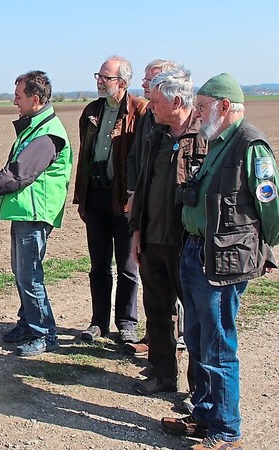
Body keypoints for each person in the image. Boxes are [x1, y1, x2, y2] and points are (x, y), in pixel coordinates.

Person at [161, 73, 279, 450]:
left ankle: (226, 432)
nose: (196, 114)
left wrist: (264, 251)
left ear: (224, 107)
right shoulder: (217, 141)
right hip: (197, 251)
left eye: (202, 107)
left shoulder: (250, 145)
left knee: (217, 344)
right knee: (195, 338)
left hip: (224, 260)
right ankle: (205, 414)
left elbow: (271, 207)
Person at [0, 71, 72, 356]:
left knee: (30, 276)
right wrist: (0, 196)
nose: (14, 101)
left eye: (18, 96)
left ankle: (45, 333)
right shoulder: (36, 127)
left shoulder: (47, 134)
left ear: (35, 98)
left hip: (35, 215)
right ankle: (27, 323)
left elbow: (18, 174)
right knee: (22, 274)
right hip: (25, 212)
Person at [129, 67, 206, 396]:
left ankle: (199, 393)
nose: (151, 106)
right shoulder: (155, 135)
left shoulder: (206, 137)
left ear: (177, 101)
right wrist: (135, 231)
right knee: (157, 312)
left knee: (196, 321)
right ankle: (162, 376)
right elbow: (144, 186)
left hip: (187, 244)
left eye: (157, 101)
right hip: (152, 239)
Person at [73, 56, 147, 343]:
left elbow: (142, 158)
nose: (100, 82)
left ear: (124, 82)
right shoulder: (91, 111)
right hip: (96, 195)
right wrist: (82, 197)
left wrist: (135, 198)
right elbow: (84, 156)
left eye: (107, 77)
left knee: (128, 266)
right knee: (99, 264)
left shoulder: (139, 111)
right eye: (99, 76)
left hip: (124, 199)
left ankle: (127, 323)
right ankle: (98, 322)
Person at [124, 59, 183, 357]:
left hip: (182, 235)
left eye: (151, 80)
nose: (144, 86)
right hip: (152, 226)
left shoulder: (198, 135)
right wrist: (134, 195)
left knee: (187, 300)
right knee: (157, 300)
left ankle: (179, 344)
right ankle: (160, 366)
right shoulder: (153, 121)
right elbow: (139, 162)